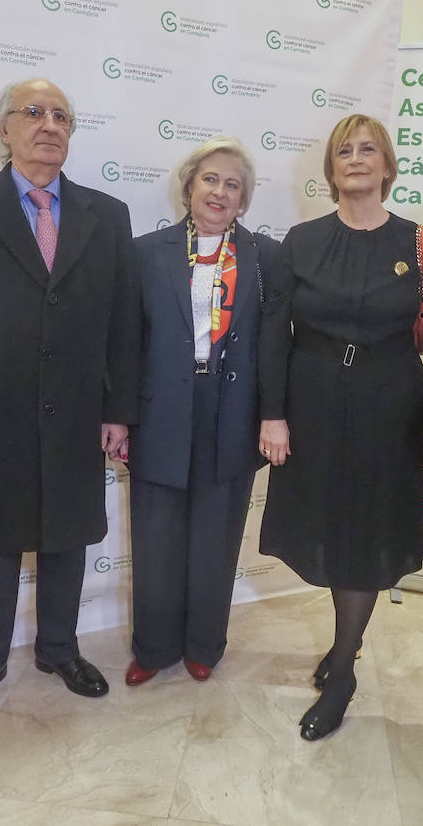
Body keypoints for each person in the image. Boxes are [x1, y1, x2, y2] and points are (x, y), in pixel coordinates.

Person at [0, 78, 138, 729]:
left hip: (73, 414)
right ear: (5, 129)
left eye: (62, 116)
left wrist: (117, 409)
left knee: (66, 538)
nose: (49, 125)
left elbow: (123, 324)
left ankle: (59, 650)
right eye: (33, 113)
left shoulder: (108, 213)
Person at [257, 113, 423, 741]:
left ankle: (342, 667)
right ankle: (343, 655)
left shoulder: (422, 241)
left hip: (390, 407)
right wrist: (273, 412)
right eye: (346, 150)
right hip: (310, 406)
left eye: (370, 149)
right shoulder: (301, 241)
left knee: (367, 534)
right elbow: (272, 336)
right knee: (324, 524)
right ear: (331, 169)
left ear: (388, 166)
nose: (358, 158)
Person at [124, 138, 280, 687]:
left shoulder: (264, 257)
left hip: (231, 410)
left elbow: (274, 344)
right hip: (160, 410)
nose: (220, 192)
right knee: (156, 536)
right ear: (189, 186)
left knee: (216, 537)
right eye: (210, 180)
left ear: (244, 199)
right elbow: (126, 344)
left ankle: (203, 645)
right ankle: (153, 646)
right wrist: (118, 417)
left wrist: (274, 415)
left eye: (232, 184)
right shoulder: (146, 251)